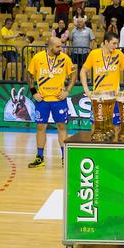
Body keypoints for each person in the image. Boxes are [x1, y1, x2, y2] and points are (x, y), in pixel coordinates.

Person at [26, 37, 76, 168]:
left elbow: (73, 74)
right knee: (41, 127)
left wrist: (67, 91)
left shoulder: (65, 58)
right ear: (50, 46)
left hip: (59, 100)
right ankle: (40, 157)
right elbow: (30, 75)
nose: (61, 49)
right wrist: (33, 92)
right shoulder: (37, 58)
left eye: (61, 46)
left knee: (61, 127)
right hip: (42, 100)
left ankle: (65, 157)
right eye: (58, 47)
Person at [80, 33, 124, 139]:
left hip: (114, 97)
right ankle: (96, 154)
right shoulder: (94, 54)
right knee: (95, 127)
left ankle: (114, 153)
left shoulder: (119, 54)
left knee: (116, 127)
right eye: (114, 43)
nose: (116, 46)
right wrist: (86, 90)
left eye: (117, 44)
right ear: (106, 42)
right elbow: (83, 71)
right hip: (98, 98)